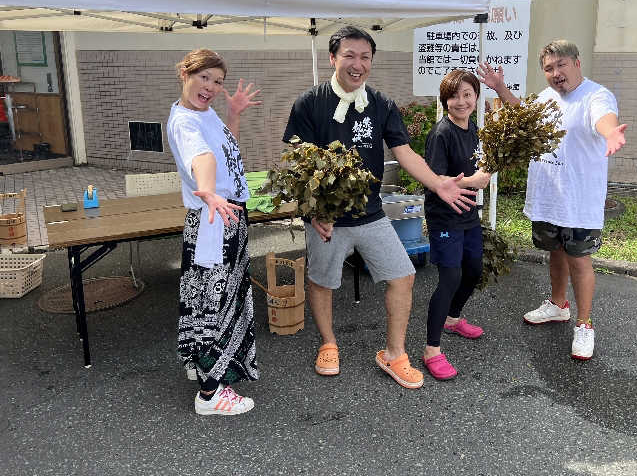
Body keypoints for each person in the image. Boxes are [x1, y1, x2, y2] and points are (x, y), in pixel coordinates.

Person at [283, 25, 477, 389]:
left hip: (372, 214)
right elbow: (297, 161)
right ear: (333, 58)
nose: (357, 64)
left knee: (403, 276)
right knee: (323, 282)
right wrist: (313, 211)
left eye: (365, 57)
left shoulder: (382, 104)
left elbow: (404, 153)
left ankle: (394, 354)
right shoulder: (310, 103)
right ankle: (328, 343)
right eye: (349, 56)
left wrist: (438, 183)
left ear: (372, 61)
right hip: (326, 218)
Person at [478, 40, 627, 360]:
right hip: (549, 195)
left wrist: (611, 133)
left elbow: (604, 118)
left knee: (579, 260)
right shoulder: (546, 97)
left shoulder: (596, 96)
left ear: (577, 63)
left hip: (578, 200)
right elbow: (525, 116)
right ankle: (558, 305)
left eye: (561, 65)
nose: (556, 73)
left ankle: (585, 324)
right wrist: (501, 88)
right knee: (555, 251)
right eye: (549, 68)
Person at [167, 49, 262, 414]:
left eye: (217, 81)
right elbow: (201, 158)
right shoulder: (185, 123)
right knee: (216, 304)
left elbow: (225, 152)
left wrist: (233, 115)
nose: (210, 87)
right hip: (214, 220)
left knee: (205, 297)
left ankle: (198, 365)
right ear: (185, 74)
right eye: (204, 77)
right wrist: (207, 190)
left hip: (221, 214)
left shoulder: (203, 114)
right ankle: (211, 393)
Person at [422, 69, 491, 380]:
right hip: (444, 217)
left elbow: (479, 166)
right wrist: (478, 179)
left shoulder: (473, 129)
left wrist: (485, 171)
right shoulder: (441, 135)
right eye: (454, 95)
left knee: (474, 270)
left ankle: (453, 319)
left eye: (467, 94)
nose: (461, 101)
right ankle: (431, 350)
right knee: (450, 277)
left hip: (468, 215)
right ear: (444, 100)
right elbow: (435, 181)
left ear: (476, 97)